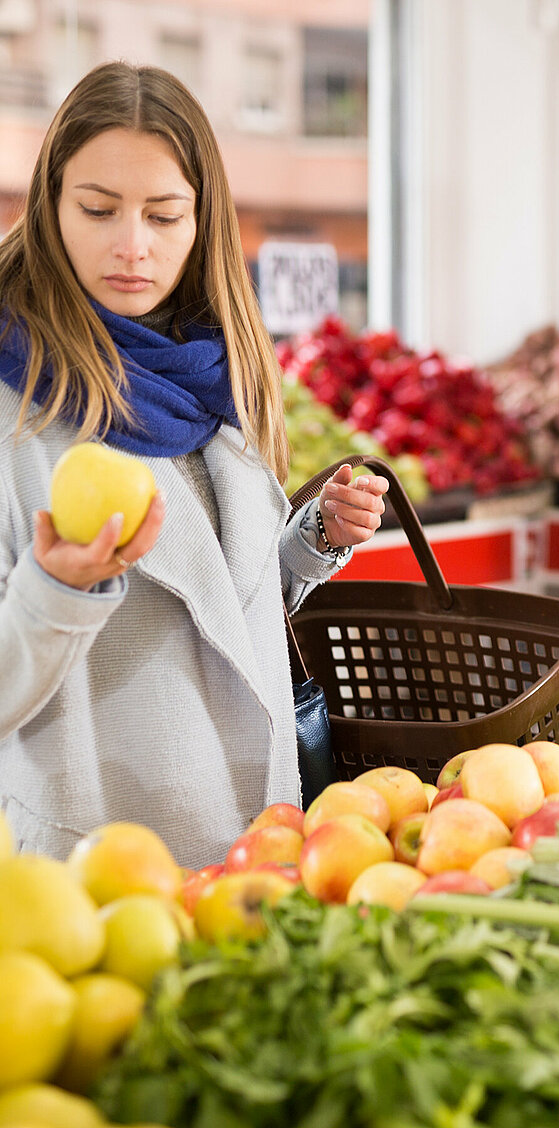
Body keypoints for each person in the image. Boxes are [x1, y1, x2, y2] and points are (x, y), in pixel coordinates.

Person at [0, 61, 391, 867]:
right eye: (99, 209)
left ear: (202, 221)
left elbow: (222, 605)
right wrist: (57, 589)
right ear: (50, 209)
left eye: (165, 215)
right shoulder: (18, 397)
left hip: (258, 845)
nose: (132, 246)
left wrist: (310, 540)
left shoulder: (213, 373)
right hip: (103, 868)